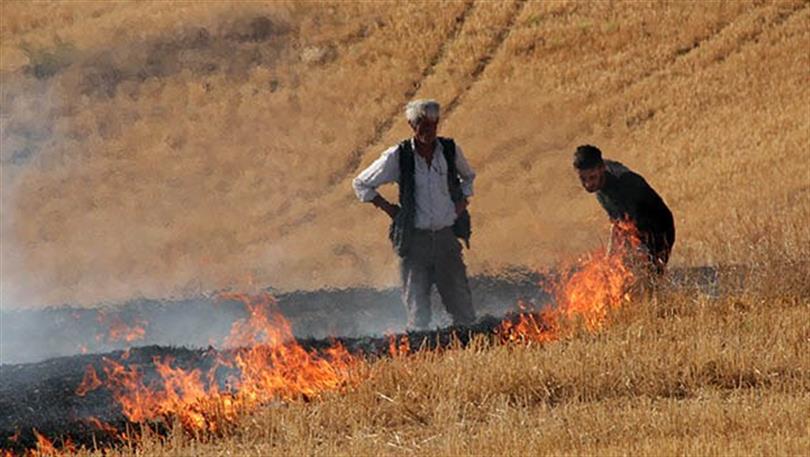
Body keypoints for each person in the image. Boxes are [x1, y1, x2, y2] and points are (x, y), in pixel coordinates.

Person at [352, 99, 477, 330]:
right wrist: (390, 210)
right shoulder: (398, 156)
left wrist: (460, 205)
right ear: (412, 125)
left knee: (463, 310)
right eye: (422, 124)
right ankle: (421, 354)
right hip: (415, 245)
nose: (427, 130)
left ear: (437, 123)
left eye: (431, 124)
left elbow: (469, 178)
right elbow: (361, 184)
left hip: (446, 241)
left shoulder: (449, 151)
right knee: (418, 315)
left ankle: (468, 349)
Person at [573, 144, 675, 275]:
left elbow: (630, 226)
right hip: (636, 228)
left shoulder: (624, 182)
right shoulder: (600, 180)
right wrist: (608, 260)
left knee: (642, 279)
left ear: (602, 168)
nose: (588, 184)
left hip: (659, 228)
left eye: (592, 177)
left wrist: (630, 255)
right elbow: (617, 224)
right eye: (583, 179)